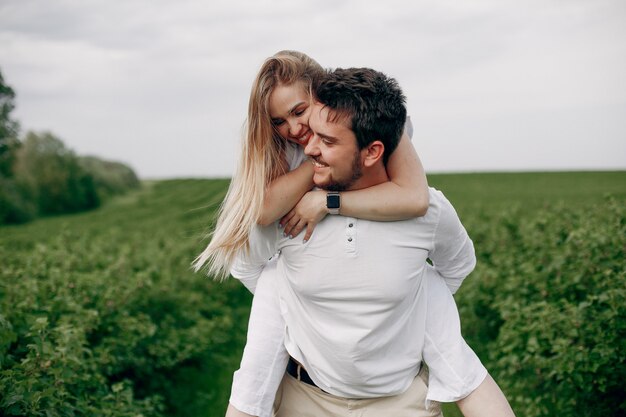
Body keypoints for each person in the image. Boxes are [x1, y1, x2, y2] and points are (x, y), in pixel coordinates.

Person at [226, 67, 516, 416]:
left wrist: (399, 307)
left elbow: (455, 264)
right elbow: (246, 261)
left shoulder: (424, 206)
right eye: (281, 122)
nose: (304, 140)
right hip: (306, 398)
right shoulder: (290, 212)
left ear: (372, 151)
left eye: (325, 137)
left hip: (400, 402)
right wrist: (308, 310)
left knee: (425, 285)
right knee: (277, 280)